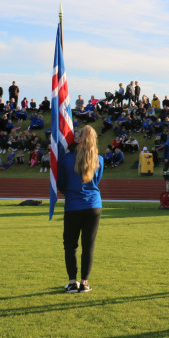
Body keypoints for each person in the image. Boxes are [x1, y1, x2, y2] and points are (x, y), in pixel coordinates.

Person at [59, 126, 104, 294]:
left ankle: (72, 283)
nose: (74, 135)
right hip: (93, 205)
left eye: (77, 134)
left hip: (73, 206)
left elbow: (61, 183)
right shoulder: (99, 159)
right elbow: (96, 181)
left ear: (80, 138)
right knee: (88, 246)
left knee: (70, 245)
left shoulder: (66, 159)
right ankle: (84, 283)